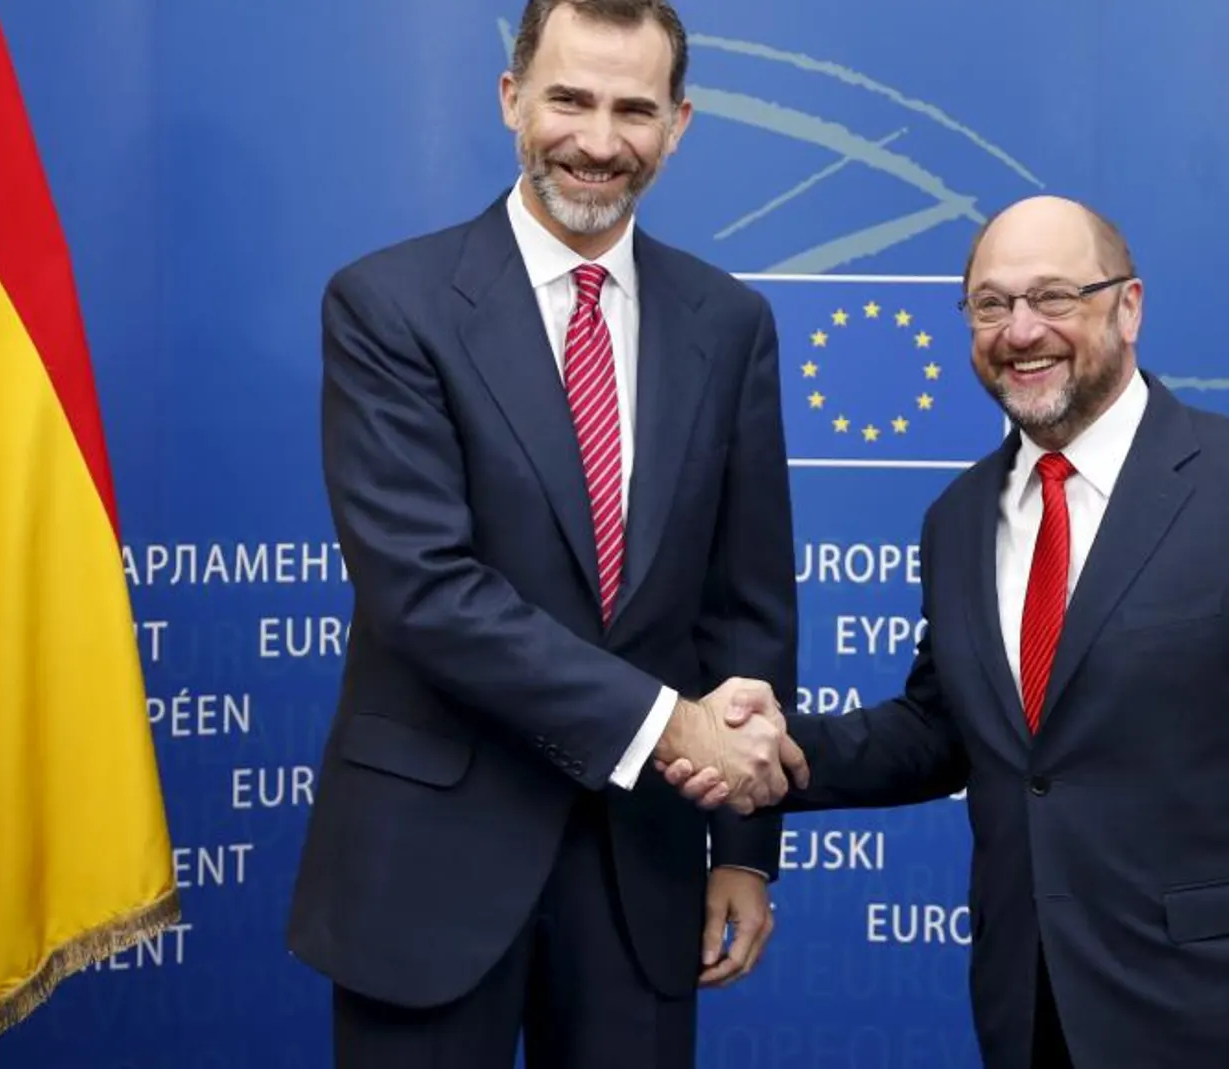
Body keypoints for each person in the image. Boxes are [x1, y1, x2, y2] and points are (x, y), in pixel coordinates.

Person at [665, 195, 1229, 1068]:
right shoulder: (958, 518)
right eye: (991, 305)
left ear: (1129, 306)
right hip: (1032, 1010)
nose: (1021, 330)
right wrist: (768, 753)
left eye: (1054, 297)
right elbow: (941, 728)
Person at [286, 1, 809, 1066]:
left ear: (680, 124)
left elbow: (745, 604)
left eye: (634, 109)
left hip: (643, 867)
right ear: (511, 97)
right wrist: (669, 726)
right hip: (428, 867)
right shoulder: (390, 304)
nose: (599, 141)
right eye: (569, 98)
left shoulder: (729, 323)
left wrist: (745, 849)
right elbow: (426, 592)